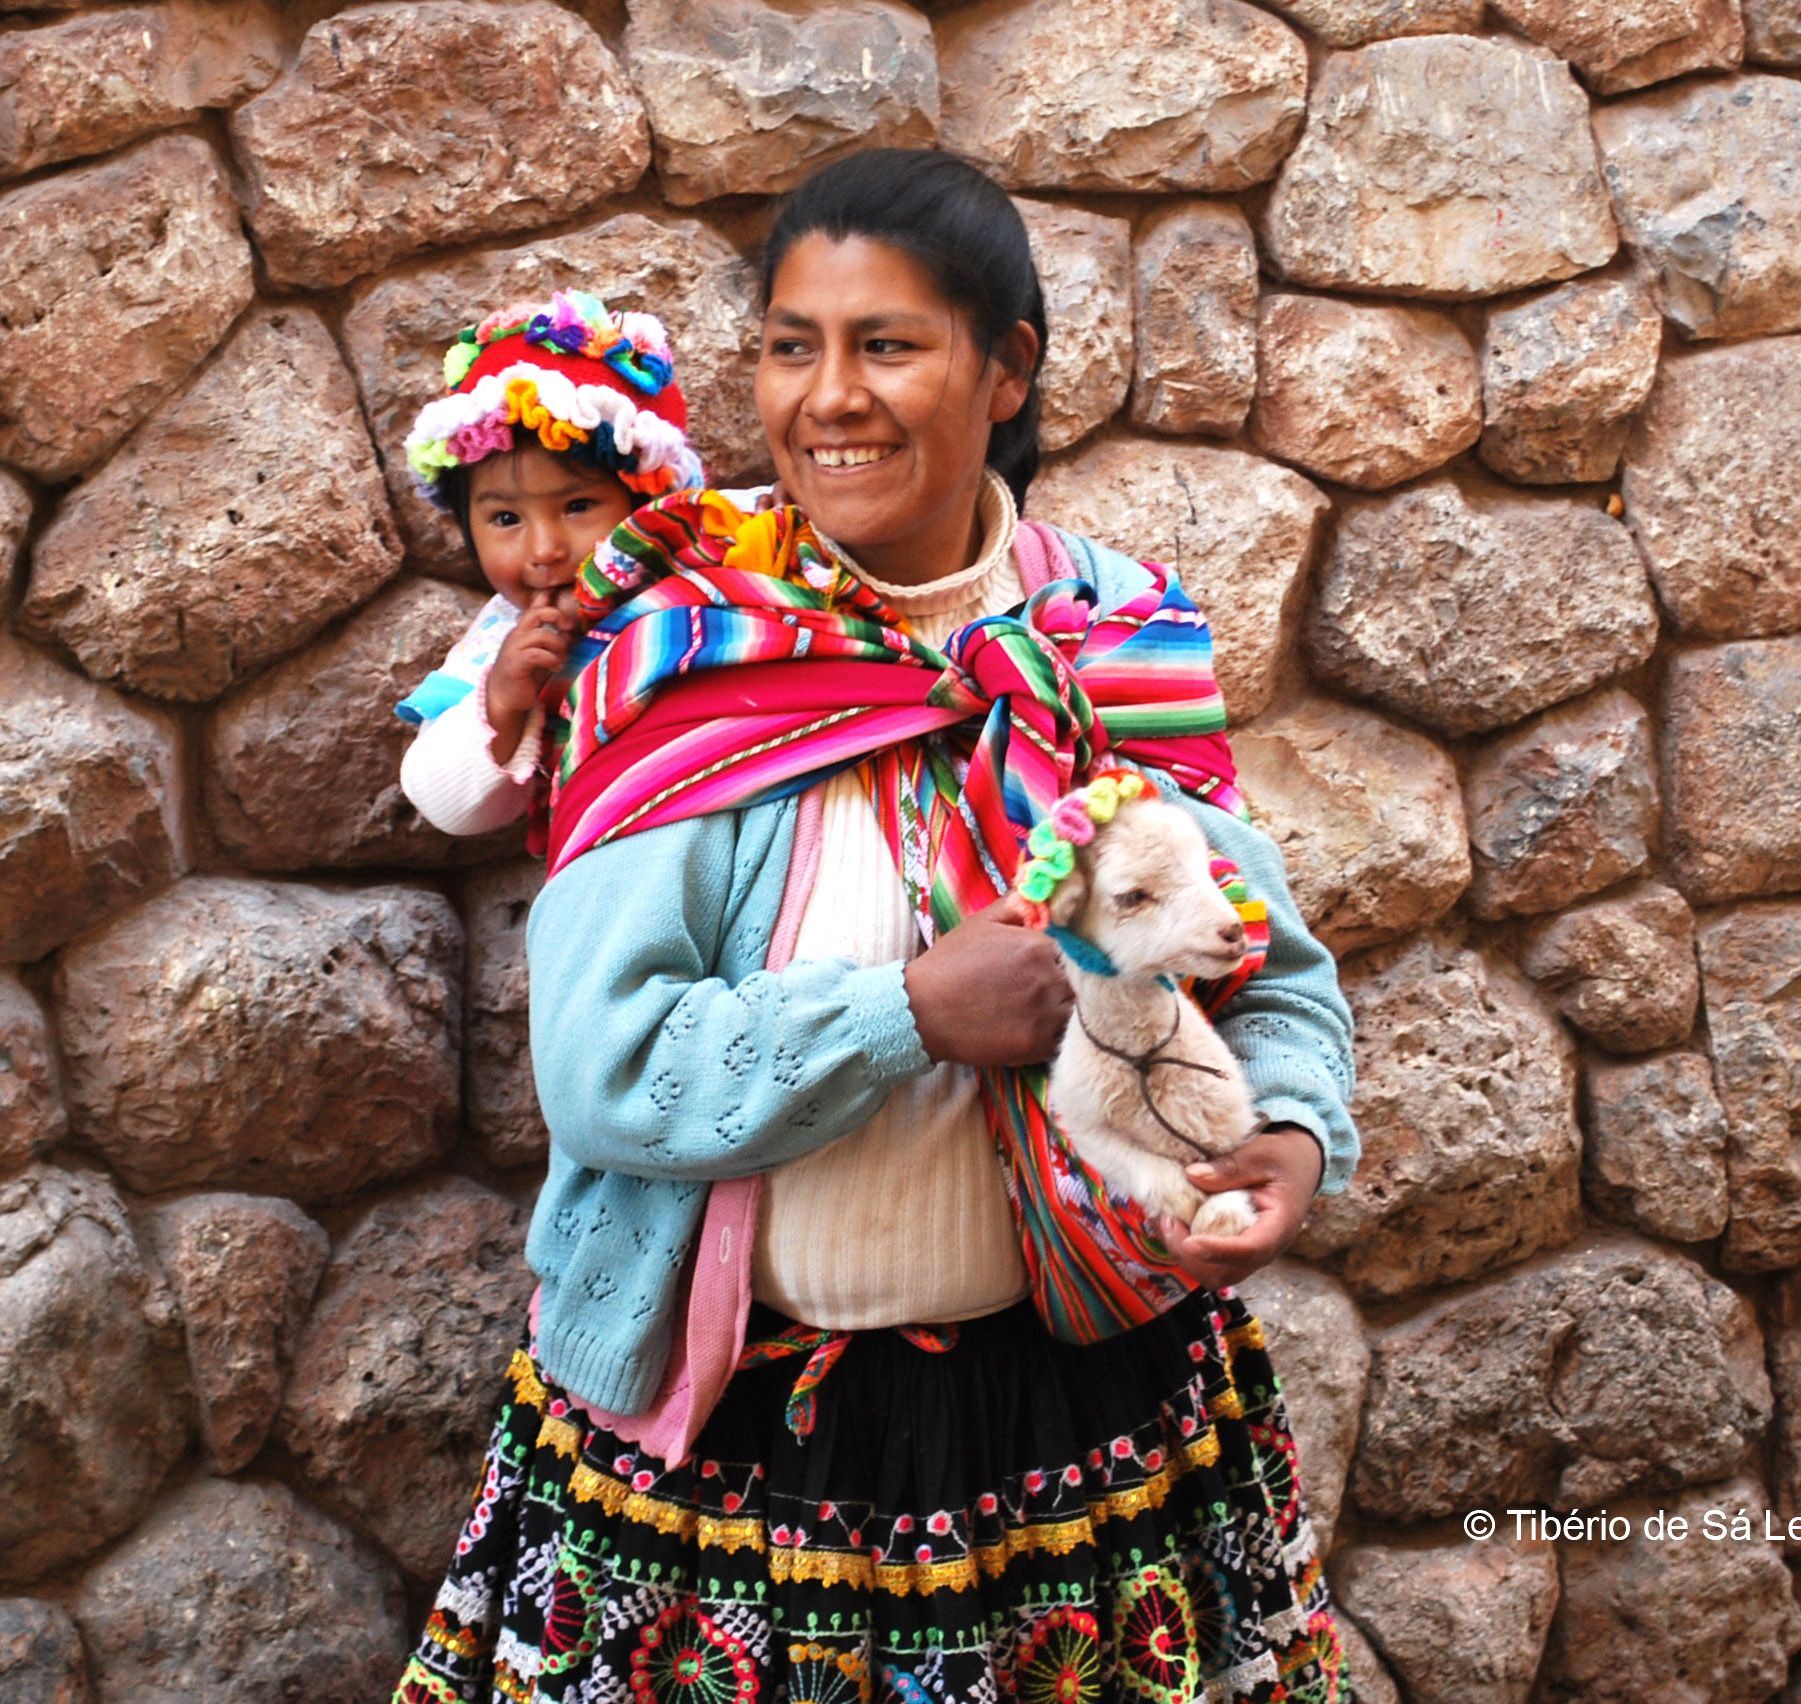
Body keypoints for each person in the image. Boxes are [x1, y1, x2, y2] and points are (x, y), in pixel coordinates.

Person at [394, 149, 1357, 1704]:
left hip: (1099, 1423)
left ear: (1009, 368)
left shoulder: (1107, 643)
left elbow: (1271, 980)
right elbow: (600, 1066)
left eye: (887, 344)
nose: (826, 397)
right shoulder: (682, 649)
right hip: (737, 1457)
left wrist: (1293, 1137)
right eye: (791, 346)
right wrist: (908, 1011)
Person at [395, 289, 705, 837]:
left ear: (645, 503)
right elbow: (447, 808)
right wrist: (504, 701)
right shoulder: (502, 646)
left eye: (578, 506)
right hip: (608, 869)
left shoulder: (706, 581)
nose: (545, 550)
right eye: (507, 520)